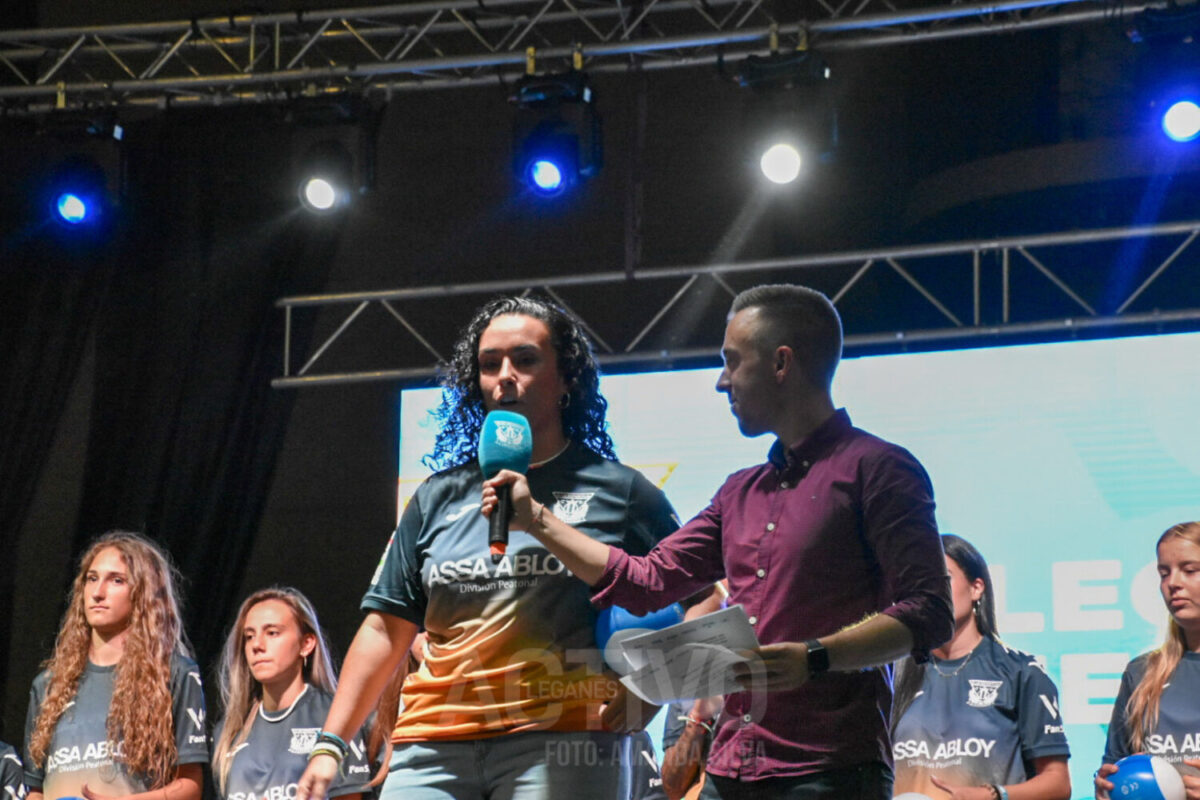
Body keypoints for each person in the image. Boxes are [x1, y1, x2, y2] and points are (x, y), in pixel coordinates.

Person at [481, 283, 954, 799]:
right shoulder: (739, 491)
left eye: (731, 361)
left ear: (781, 363)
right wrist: (535, 519)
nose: (721, 382)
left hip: (830, 771)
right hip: (728, 770)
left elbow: (928, 612)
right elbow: (647, 581)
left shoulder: (879, 469)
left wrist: (814, 656)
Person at [296, 295, 681, 800]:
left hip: (561, 743)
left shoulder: (621, 491)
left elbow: (701, 595)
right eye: (488, 364)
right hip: (430, 746)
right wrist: (330, 744)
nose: (505, 375)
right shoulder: (435, 497)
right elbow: (385, 628)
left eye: (525, 360)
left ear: (567, 378)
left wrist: (652, 690)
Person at [23, 531, 208, 800]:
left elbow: (190, 787)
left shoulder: (173, 673)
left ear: (143, 593)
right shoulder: (48, 686)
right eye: (92, 579)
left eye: (117, 580)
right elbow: (36, 790)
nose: (98, 593)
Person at [890, 534, 1071, 800]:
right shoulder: (892, 674)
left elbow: (1058, 784)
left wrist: (994, 795)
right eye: (919, 583)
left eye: (943, 579)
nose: (930, 593)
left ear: (976, 588)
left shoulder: (1020, 671)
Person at [211, 588, 370, 800]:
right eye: (249, 636)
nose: (257, 645)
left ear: (306, 644)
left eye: (272, 633)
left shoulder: (335, 717)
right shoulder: (228, 732)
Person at [1095, 521, 1200, 800]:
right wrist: (1107, 788)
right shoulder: (1142, 673)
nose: (1173, 583)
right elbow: (1113, 768)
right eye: (1164, 573)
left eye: (1190, 570)